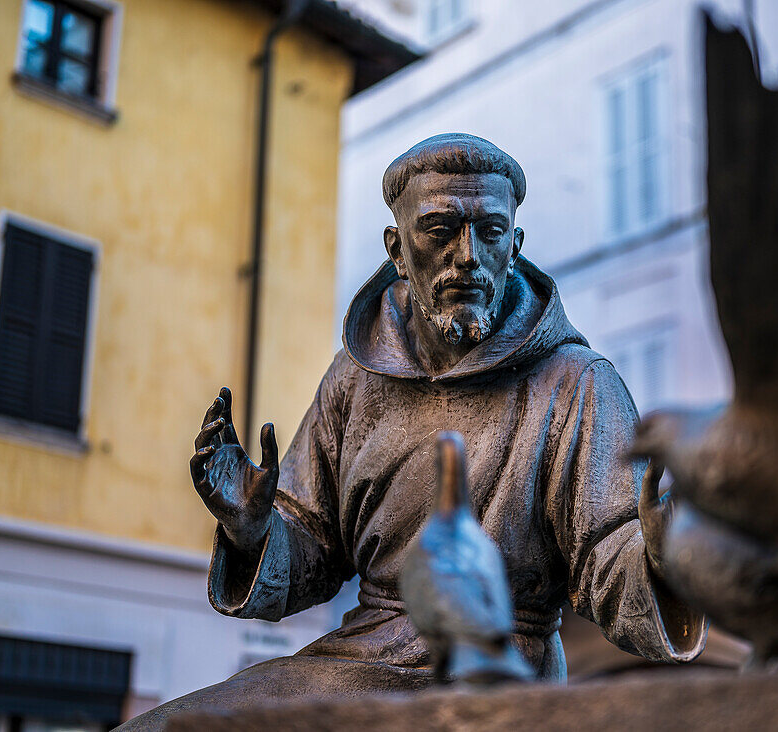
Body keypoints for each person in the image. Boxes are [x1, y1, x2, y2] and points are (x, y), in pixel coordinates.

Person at [121, 133, 706, 728]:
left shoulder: (577, 385)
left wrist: (663, 556)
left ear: (517, 245)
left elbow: (613, 557)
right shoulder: (358, 374)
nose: (469, 254)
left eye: (491, 231)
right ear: (397, 249)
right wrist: (254, 529)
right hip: (358, 660)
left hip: (498, 673)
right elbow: (314, 549)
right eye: (440, 230)